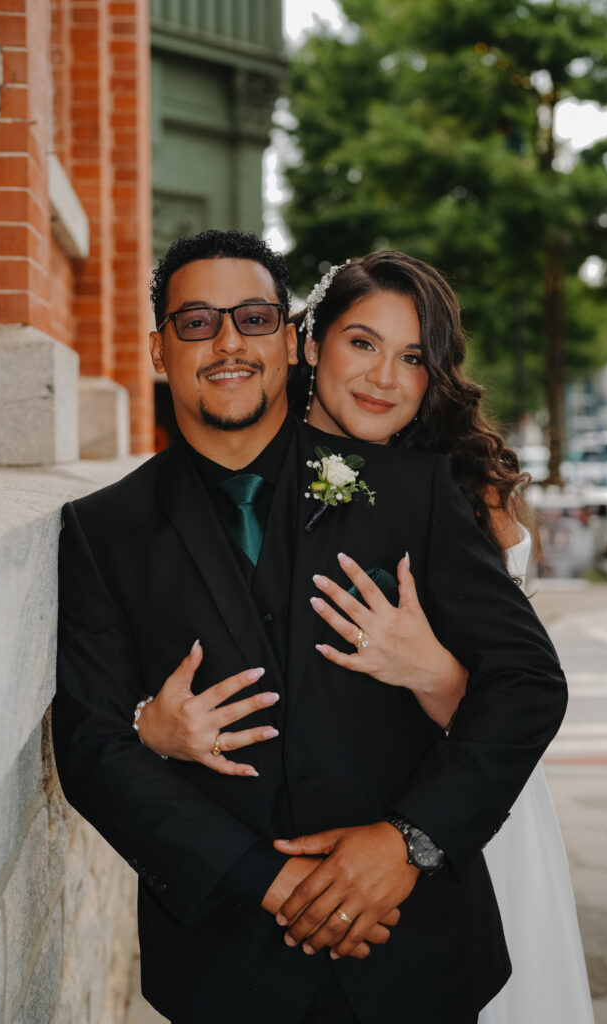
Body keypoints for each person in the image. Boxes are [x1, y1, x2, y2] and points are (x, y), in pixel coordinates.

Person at [52, 230, 567, 1024]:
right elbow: (91, 747)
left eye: (253, 317)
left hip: (418, 954)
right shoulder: (100, 529)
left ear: (290, 341)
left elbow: (527, 684)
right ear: (159, 350)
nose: (227, 342)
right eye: (196, 323)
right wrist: (266, 880)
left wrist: (408, 843)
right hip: (227, 965)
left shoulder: (413, 489)